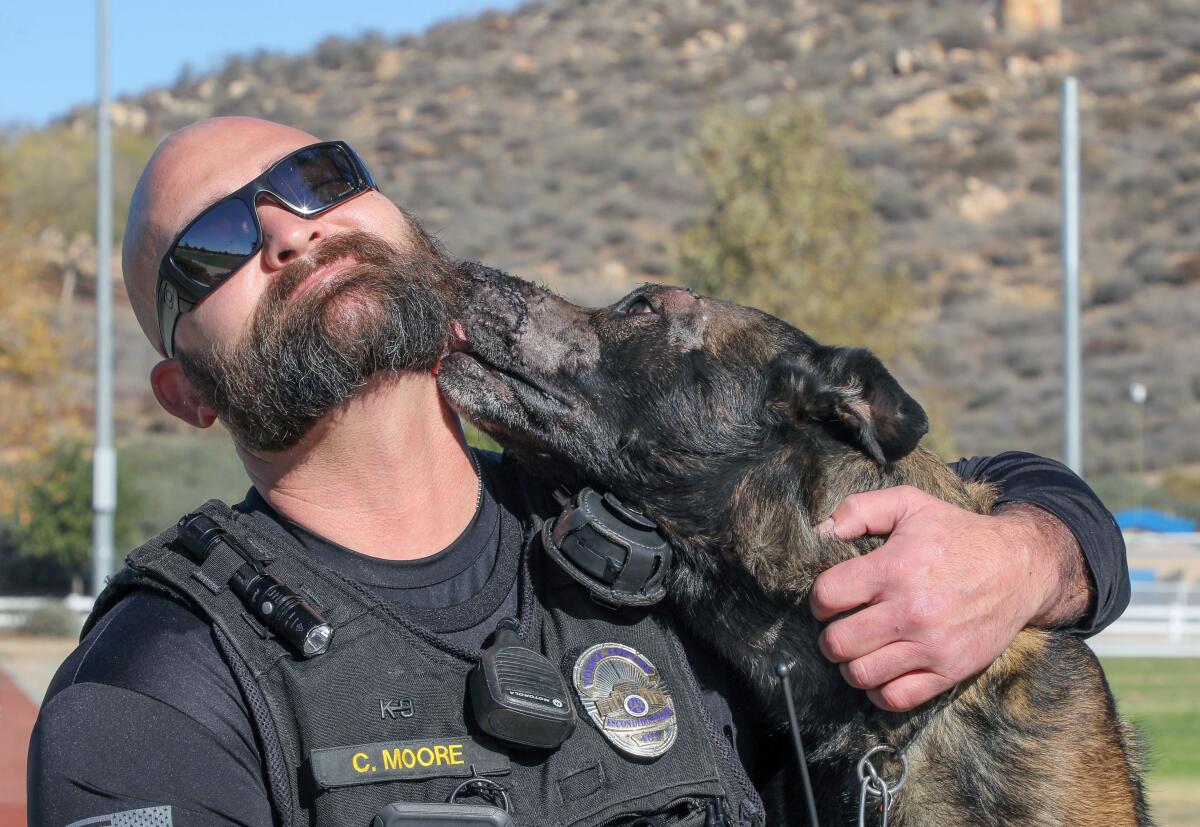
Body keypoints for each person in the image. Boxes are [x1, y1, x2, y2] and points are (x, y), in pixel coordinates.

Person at [28, 117, 1128, 826]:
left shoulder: (659, 541)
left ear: (399, 221)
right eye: (213, 247)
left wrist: (1031, 556)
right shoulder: (155, 687)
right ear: (189, 395)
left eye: (319, 177)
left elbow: (954, 487)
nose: (287, 228)